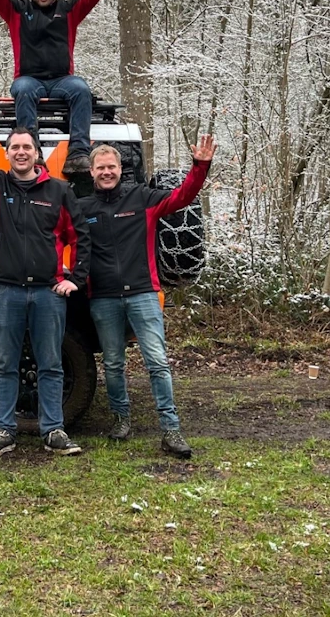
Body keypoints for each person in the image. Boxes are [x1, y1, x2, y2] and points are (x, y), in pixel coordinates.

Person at [0, 77, 91, 459]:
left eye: (27, 147)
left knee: (50, 363)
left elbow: (80, 237)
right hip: (3, 291)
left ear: (37, 153)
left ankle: (53, 430)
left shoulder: (59, 191)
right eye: (15, 147)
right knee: (2, 364)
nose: (21, 152)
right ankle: (3, 430)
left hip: (47, 291)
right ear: (7, 153)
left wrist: (74, 279)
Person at [79, 137, 217, 459]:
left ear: (120, 168)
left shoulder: (142, 198)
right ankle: (121, 420)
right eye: (101, 168)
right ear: (91, 172)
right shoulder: (82, 208)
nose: (107, 172)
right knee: (113, 364)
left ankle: (171, 429)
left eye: (111, 166)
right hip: (103, 298)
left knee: (158, 363)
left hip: (143, 293)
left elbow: (184, 196)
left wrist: (200, 167)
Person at [0, 0, 104, 176]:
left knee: (81, 89)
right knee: (24, 91)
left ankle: (78, 153)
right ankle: (34, 153)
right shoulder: (17, 10)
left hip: (62, 80)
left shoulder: (68, 10)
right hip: (29, 79)